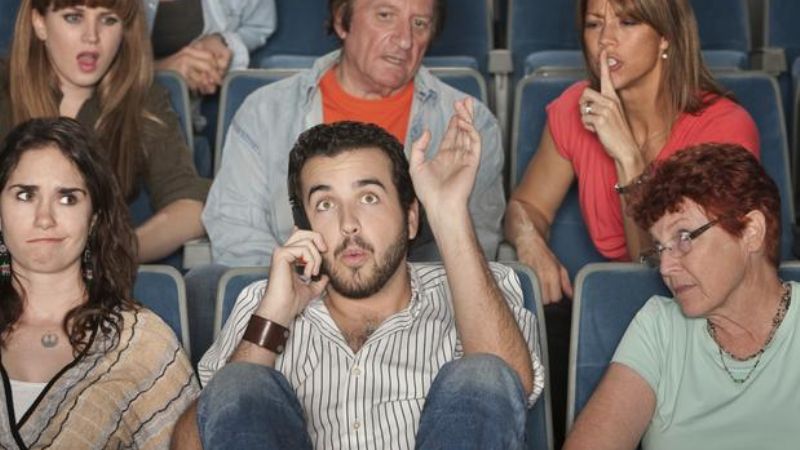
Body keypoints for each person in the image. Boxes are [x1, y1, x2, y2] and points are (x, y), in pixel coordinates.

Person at [172, 103, 544, 449]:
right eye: (325, 204)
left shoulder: (476, 285)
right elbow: (190, 441)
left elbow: (507, 393)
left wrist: (448, 212)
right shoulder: (263, 304)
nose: (348, 224)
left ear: (411, 217)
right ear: (305, 230)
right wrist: (272, 320)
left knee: (482, 373)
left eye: (368, 198)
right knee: (239, 381)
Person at [202, 0, 505, 266]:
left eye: (419, 23)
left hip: (423, 316)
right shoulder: (265, 112)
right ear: (341, 21)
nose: (404, 40)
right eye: (385, 15)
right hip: (296, 306)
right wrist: (297, 291)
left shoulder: (468, 125)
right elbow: (237, 235)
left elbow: (476, 249)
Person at [504, 0, 760, 305]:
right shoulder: (576, 108)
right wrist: (528, 238)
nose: (605, 40)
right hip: (609, 308)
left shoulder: (725, 129)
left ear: (666, 35)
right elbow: (526, 205)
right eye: (594, 24)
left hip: (696, 309)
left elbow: (658, 267)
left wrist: (628, 159)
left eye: (627, 23)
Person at [564, 143, 796, 450]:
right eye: (660, 248)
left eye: (684, 238)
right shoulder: (659, 327)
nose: (666, 267)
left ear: (751, 231)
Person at [0, 117, 198, 448]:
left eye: (67, 198)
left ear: (94, 219)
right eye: (25, 195)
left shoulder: (144, 346)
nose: (44, 218)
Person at [2, 0, 210, 263]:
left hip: (96, 286)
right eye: (74, 18)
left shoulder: (144, 103)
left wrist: (112, 257)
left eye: (108, 20)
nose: (92, 37)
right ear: (39, 23)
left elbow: (190, 207)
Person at [143, 0, 276, 95]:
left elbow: (258, 27)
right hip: (129, 108)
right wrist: (162, 72)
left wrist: (221, 41)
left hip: (188, 114)